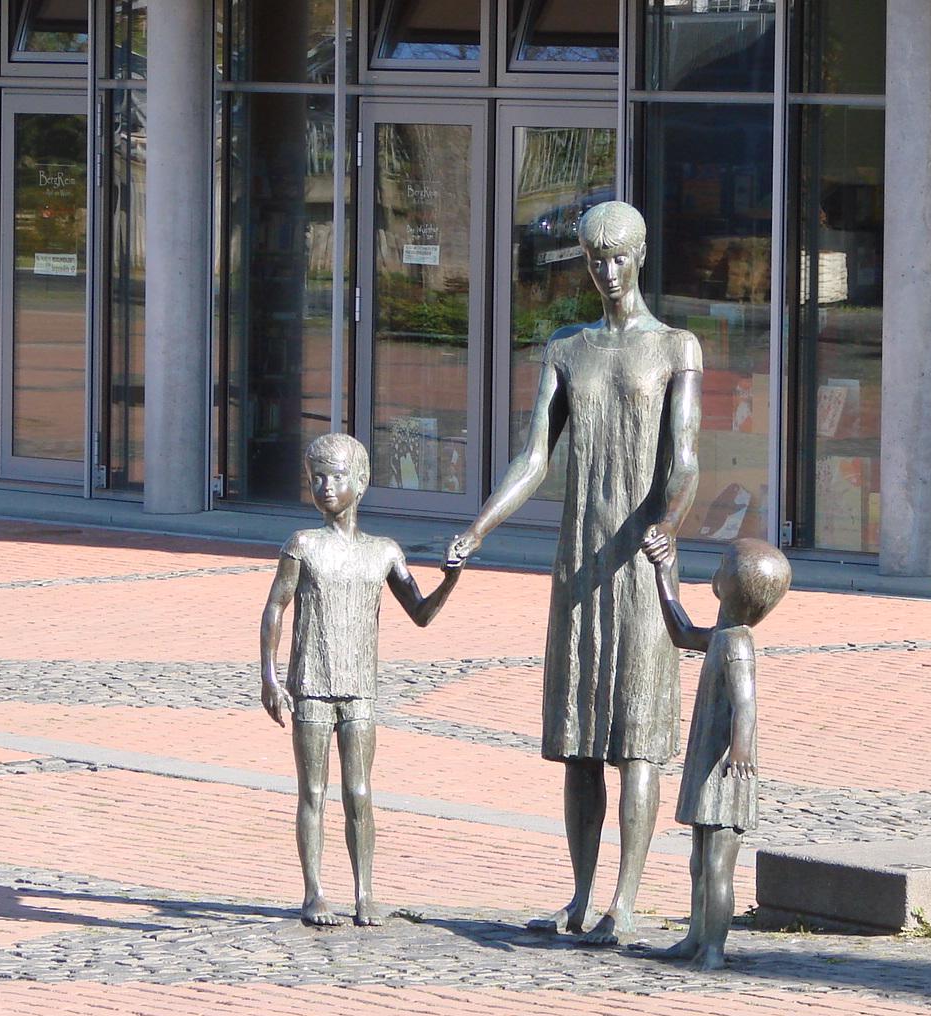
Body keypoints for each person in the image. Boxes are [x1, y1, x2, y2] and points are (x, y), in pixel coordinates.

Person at [447, 200, 702, 946]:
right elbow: (534, 457)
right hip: (580, 563)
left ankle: (625, 900)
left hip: (640, 557)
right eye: (595, 259)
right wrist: (478, 527)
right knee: (580, 735)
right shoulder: (567, 348)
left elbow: (686, 455)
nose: (608, 272)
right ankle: (581, 895)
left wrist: (668, 522)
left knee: (637, 734)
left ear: (641, 255)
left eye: (619, 257)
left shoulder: (676, 347)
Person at [261, 433, 463, 927]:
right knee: (313, 792)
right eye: (317, 478)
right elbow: (275, 608)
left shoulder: (383, 552)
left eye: (336, 476)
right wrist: (269, 676)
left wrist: (451, 579)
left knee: (360, 793)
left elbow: (420, 613)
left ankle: (364, 892)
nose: (326, 487)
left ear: (362, 481)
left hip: (360, 689)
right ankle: (314, 892)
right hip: (312, 684)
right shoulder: (303, 546)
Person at [640, 528, 789, 970]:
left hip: (726, 771)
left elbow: (746, 704)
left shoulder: (736, 644)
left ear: (727, 585)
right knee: (699, 863)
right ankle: (695, 937)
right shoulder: (724, 635)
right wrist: (664, 575)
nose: (715, 572)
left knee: (719, 866)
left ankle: (713, 948)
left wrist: (740, 750)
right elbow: (682, 632)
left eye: (722, 566)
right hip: (709, 763)